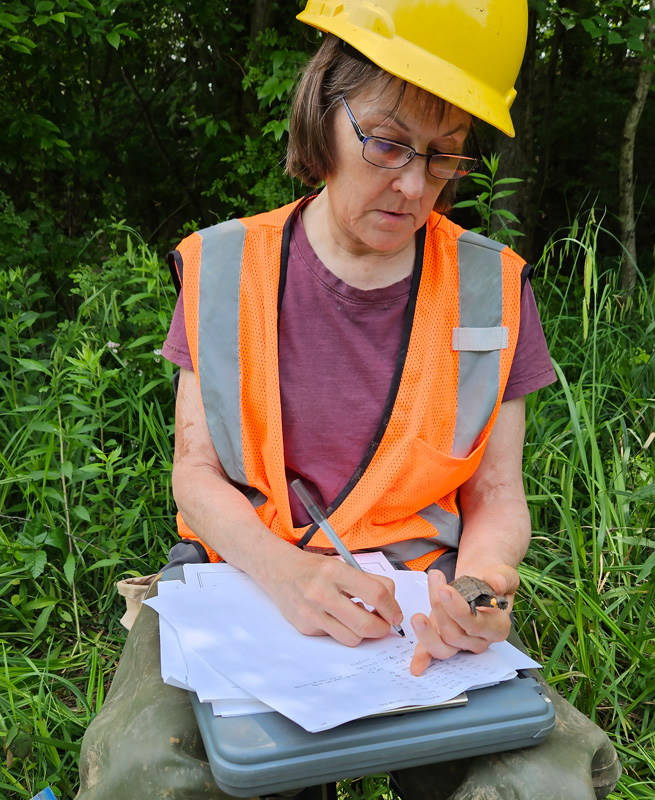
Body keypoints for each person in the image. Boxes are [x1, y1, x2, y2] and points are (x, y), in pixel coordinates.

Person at [75, 1, 621, 798]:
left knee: (544, 774)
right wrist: (288, 574)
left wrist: (476, 590)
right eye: (387, 141)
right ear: (321, 109)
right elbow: (194, 472)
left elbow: (498, 493)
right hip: (237, 574)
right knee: (144, 770)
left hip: (415, 590)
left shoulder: (490, 288)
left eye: (443, 157)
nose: (411, 184)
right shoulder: (223, 268)